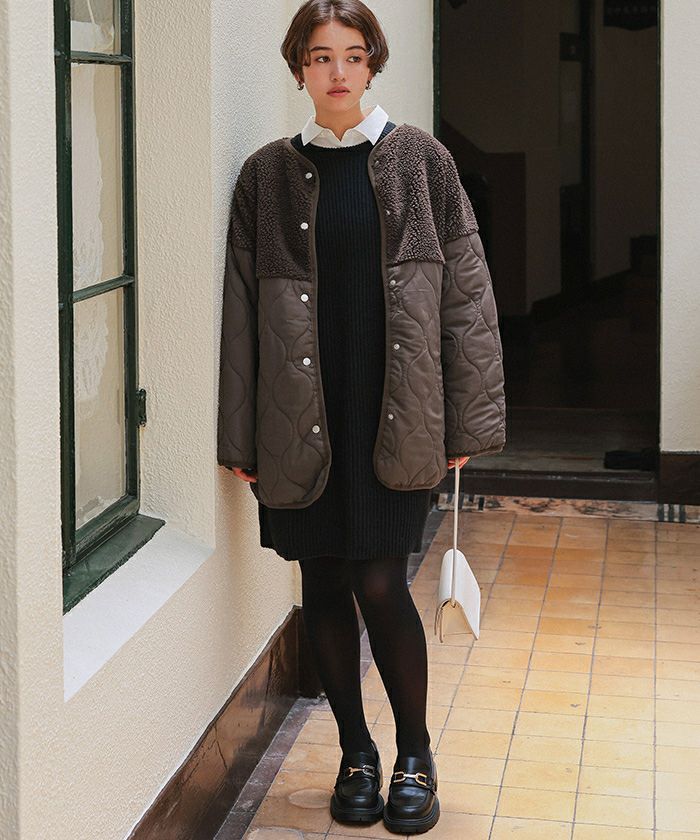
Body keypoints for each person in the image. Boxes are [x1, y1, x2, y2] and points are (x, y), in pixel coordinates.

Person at [217, 1, 506, 833]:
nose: (337, 71)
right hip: (299, 413)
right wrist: (240, 432)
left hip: (395, 409)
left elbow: (467, 297)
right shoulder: (266, 178)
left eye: (352, 54)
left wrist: (466, 425)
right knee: (322, 582)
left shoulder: (422, 162)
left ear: (373, 63)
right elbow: (241, 314)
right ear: (298, 69)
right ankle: (355, 751)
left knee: (380, 580)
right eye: (320, 56)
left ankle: (414, 752)